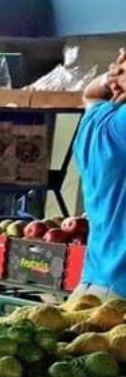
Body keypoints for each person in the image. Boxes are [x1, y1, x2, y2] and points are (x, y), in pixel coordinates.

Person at [73, 48, 126, 298]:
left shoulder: (93, 121)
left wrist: (110, 77)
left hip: (93, 283)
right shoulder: (121, 124)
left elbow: (90, 93)